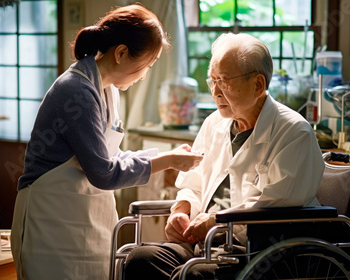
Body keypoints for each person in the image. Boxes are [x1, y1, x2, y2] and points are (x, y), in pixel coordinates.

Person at [10, 4, 203, 280]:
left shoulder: (107, 90)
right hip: (50, 218)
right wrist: (168, 161)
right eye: (147, 65)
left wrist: (164, 154)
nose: (145, 74)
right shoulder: (76, 91)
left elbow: (112, 155)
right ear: (122, 53)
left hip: (82, 219)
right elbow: (104, 172)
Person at [123, 33, 325, 280]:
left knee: (192, 275)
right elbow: (193, 183)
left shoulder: (294, 133)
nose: (216, 91)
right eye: (213, 80)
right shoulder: (214, 123)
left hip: (257, 253)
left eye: (225, 81)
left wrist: (216, 221)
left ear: (258, 85)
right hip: (205, 245)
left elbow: (276, 207)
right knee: (140, 260)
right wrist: (182, 209)